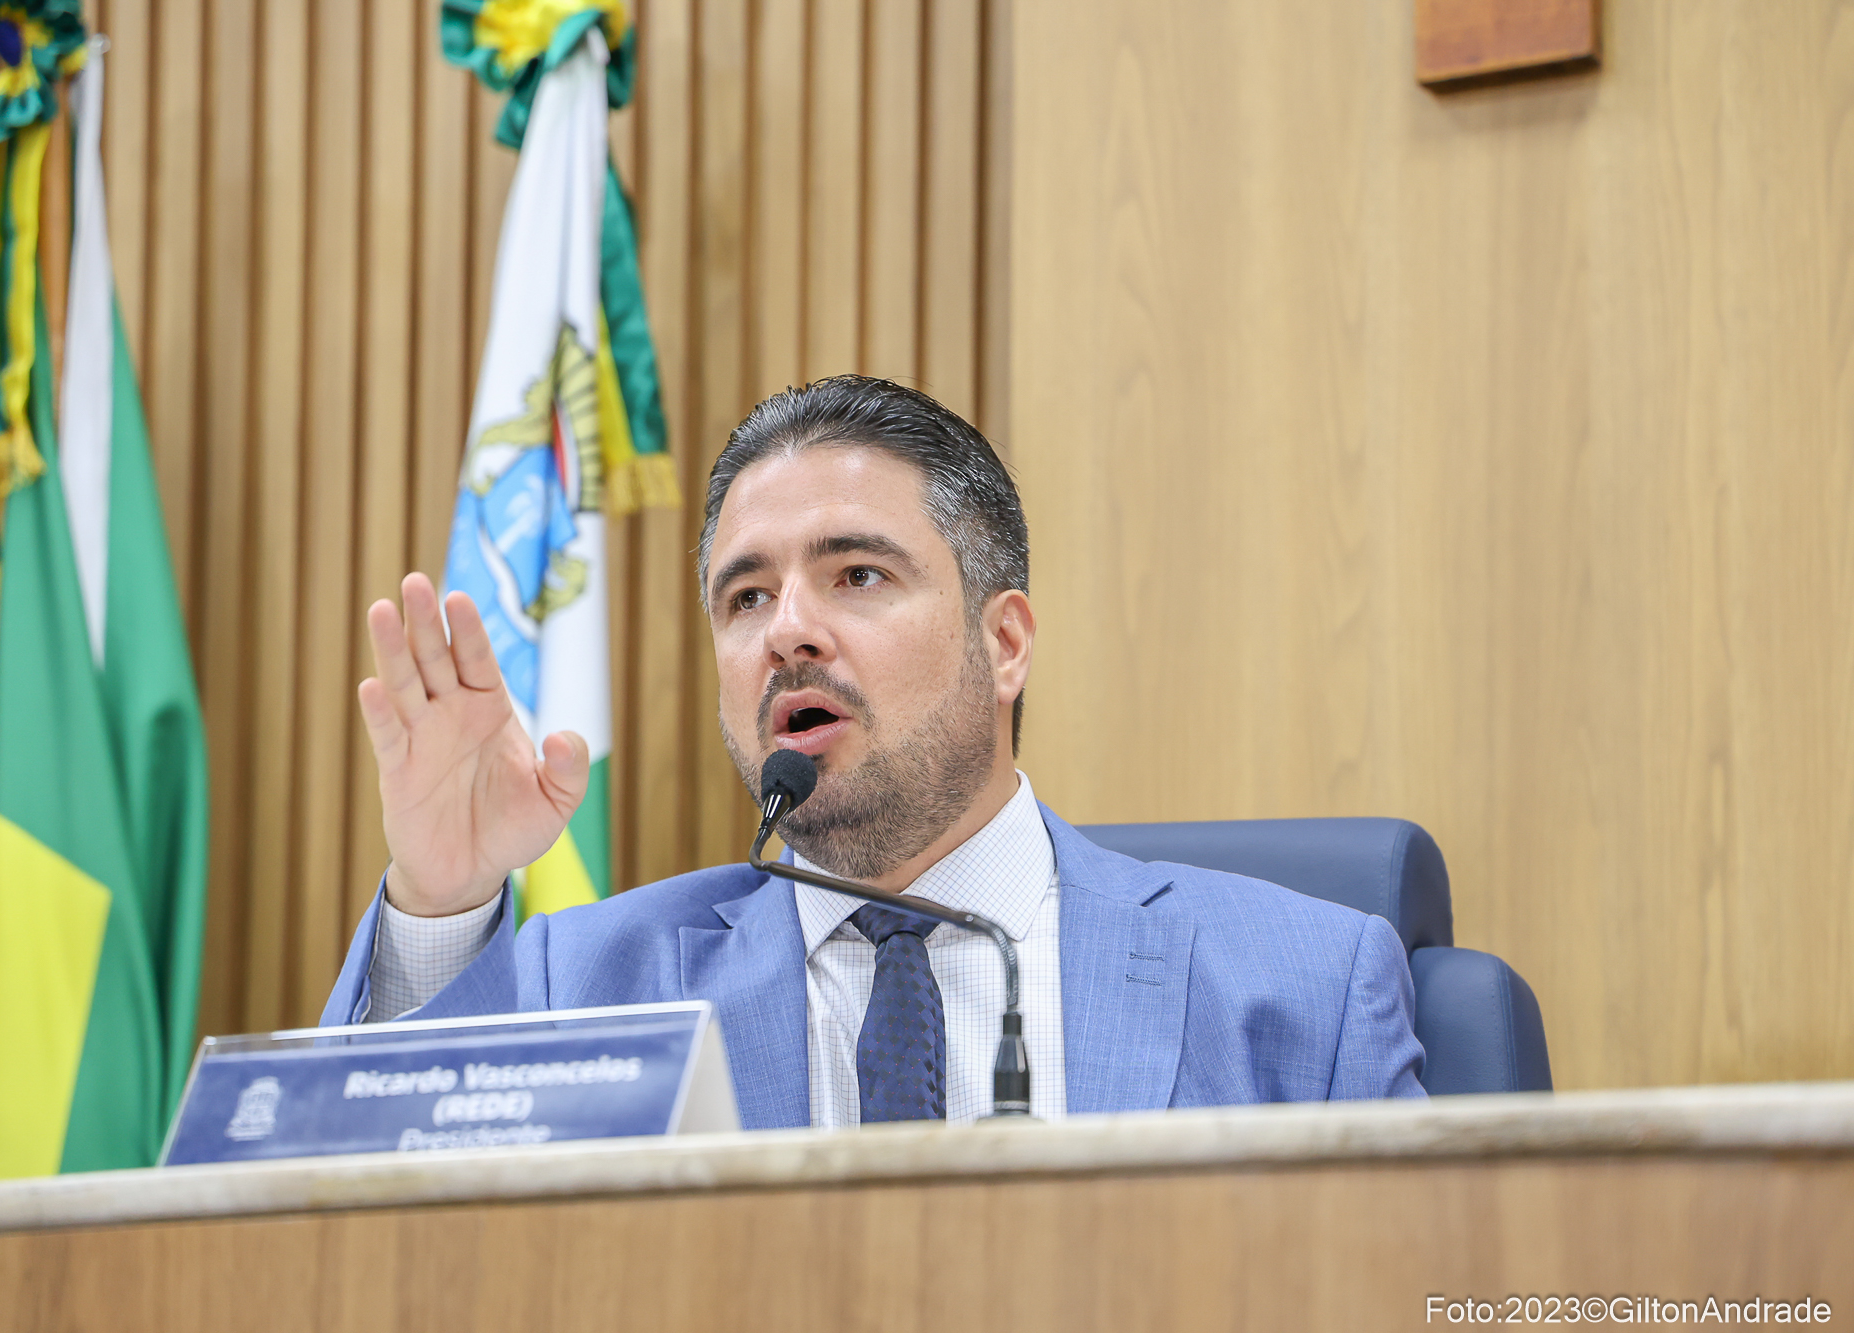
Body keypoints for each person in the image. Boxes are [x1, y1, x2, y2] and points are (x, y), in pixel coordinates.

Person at [322, 375, 1425, 1128]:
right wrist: (442, 897)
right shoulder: (591, 984)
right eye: (746, 597)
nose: (787, 630)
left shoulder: (1305, 987)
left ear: (1003, 644)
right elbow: (385, 1251)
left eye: (856, 574)